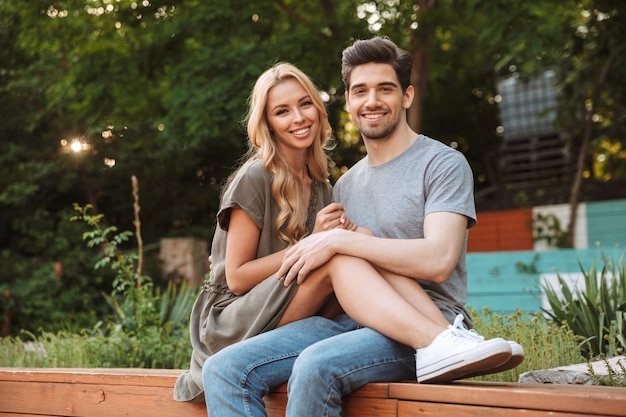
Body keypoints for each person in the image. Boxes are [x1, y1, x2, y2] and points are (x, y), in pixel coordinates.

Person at [197, 36, 524, 417]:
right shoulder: (343, 185)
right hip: (346, 318)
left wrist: (339, 242)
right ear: (348, 103)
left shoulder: (442, 163)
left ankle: (444, 342)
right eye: (360, 91)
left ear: (407, 96)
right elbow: (325, 264)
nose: (372, 101)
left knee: (316, 365)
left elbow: (437, 261)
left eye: (385, 89)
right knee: (225, 369)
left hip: (425, 315)